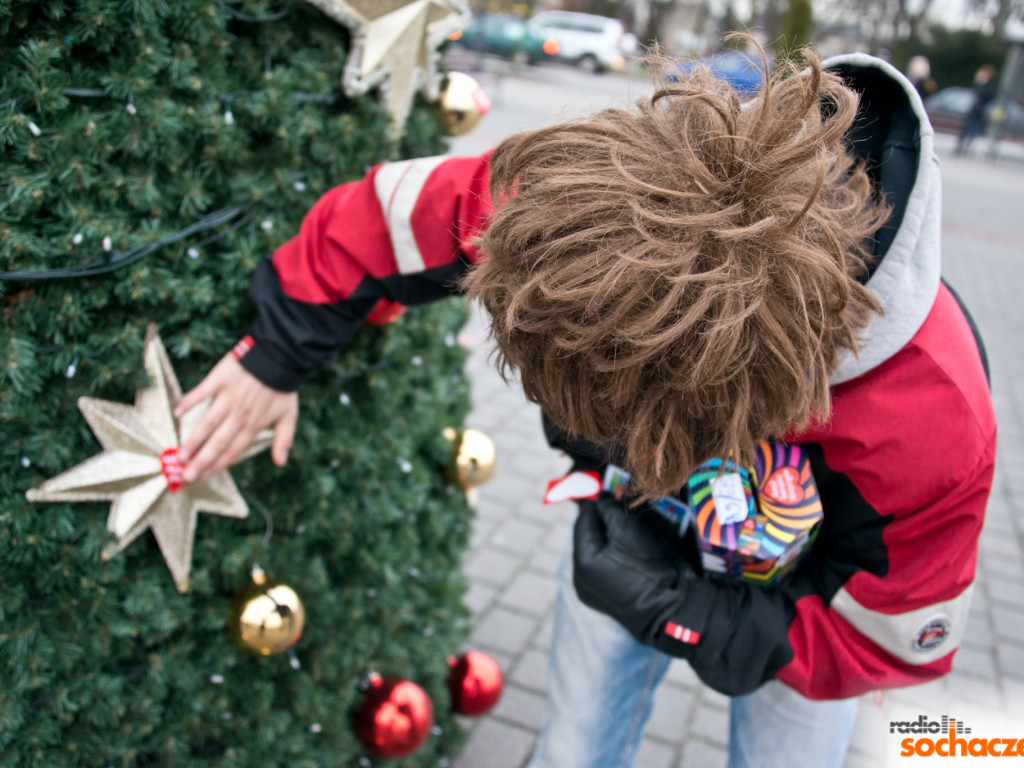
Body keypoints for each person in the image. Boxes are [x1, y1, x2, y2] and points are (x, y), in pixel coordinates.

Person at [174, 48, 996, 768]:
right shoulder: (586, 214)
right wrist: (278, 351)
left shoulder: (932, 415)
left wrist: (686, 617)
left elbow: (889, 641)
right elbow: (385, 215)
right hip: (626, 531)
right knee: (572, 750)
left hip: (809, 598)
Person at [956, 64, 997, 155]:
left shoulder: (989, 86)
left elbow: (989, 96)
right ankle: (961, 145)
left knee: (973, 128)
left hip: (979, 111)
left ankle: (968, 146)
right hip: (973, 110)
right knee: (966, 128)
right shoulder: (979, 84)